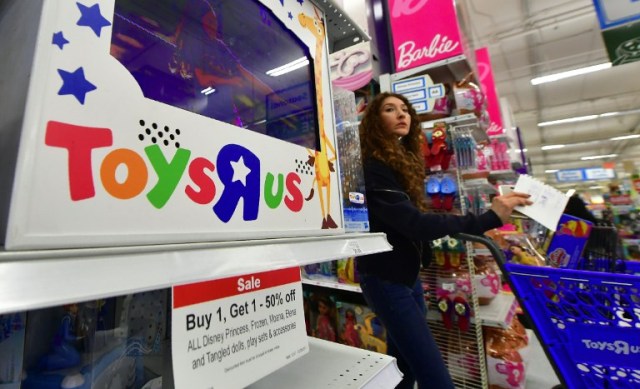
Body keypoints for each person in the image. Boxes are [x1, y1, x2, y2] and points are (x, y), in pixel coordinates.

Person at [356, 92, 532, 389]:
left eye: (405, 110)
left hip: (406, 277)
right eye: (390, 109)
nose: (401, 115)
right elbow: (414, 224)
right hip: (386, 279)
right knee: (436, 379)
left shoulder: (399, 162)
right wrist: (488, 218)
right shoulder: (374, 168)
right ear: (375, 121)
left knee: (405, 368)